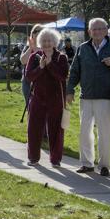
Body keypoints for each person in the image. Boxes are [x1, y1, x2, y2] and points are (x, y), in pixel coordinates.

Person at [66, 17, 110, 176]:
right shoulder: (82, 48)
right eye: (94, 29)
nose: (97, 32)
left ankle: (104, 165)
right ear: (89, 31)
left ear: (106, 30)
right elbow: (75, 71)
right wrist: (69, 90)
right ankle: (87, 164)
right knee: (84, 132)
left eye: (100, 28)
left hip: (105, 97)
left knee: (104, 132)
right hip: (86, 96)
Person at [24, 28, 69, 165]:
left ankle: (55, 159)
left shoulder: (61, 57)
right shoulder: (34, 56)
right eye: (44, 41)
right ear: (40, 42)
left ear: (54, 42)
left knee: (56, 130)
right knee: (34, 129)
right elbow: (29, 76)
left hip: (55, 100)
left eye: (49, 41)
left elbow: (62, 76)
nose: (47, 44)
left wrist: (50, 65)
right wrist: (41, 67)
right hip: (37, 99)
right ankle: (33, 158)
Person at [20, 25, 43, 110]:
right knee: (30, 108)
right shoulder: (27, 47)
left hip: (42, 82)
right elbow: (23, 61)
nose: (37, 33)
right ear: (32, 34)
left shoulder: (46, 47)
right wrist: (31, 48)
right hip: (27, 82)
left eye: (40, 31)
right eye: (35, 31)